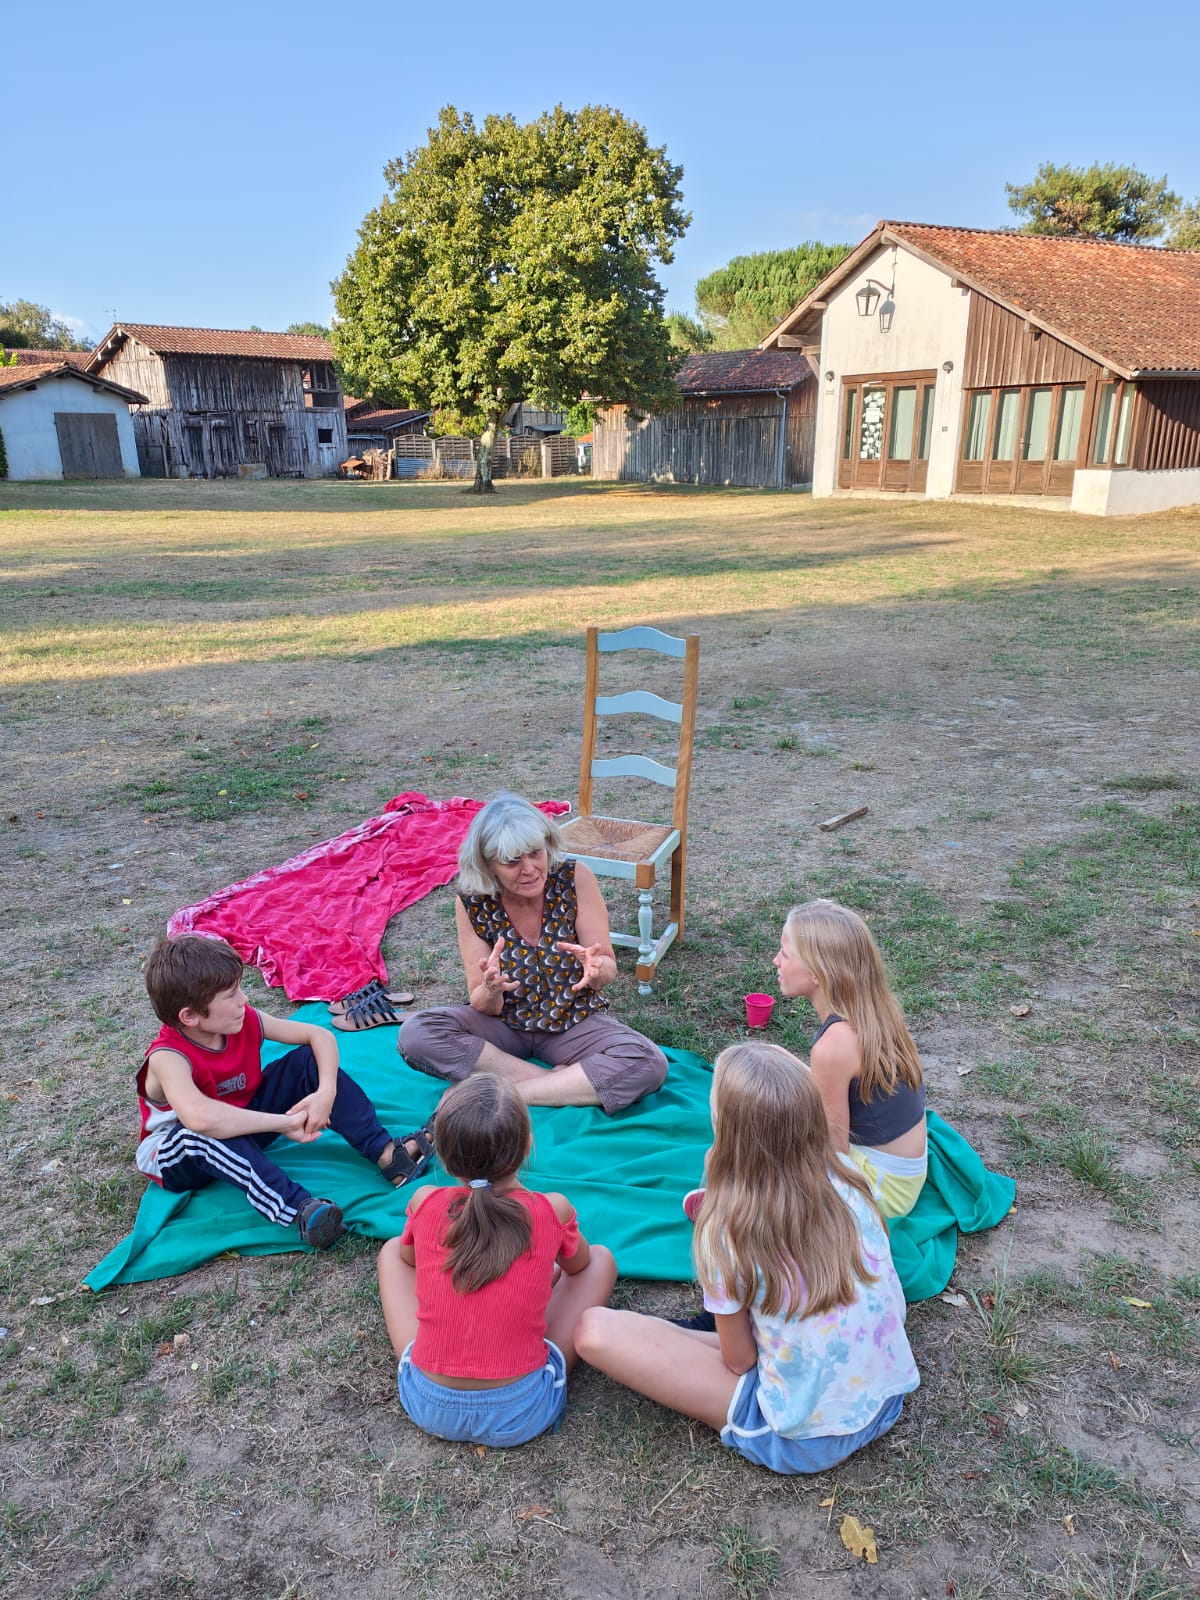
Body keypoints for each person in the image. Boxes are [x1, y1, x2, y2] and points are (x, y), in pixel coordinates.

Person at [576, 1042, 919, 1474]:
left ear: (724, 1129)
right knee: (668, 1331)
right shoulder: (849, 1185)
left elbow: (739, 1361)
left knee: (594, 1330)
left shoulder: (728, 1231)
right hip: (885, 1400)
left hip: (802, 1436)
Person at [137, 935, 435, 1250]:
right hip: (179, 1157)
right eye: (230, 995)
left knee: (305, 1063)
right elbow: (201, 1119)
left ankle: (388, 1155)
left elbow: (317, 1036)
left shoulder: (243, 1021)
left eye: (239, 988)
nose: (244, 1000)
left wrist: (325, 1093)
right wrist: (284, 1123)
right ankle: (302, 1210)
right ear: (190, 1017)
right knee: (200, 1134)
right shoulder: (168, 1057)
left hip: (242, 1123)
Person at [377, 1073, 617, 1446]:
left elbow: (408, 1258)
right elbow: (579, 1267)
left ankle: (431, 1356)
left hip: (428, 1404)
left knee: (391, 1251)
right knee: (600, 1260)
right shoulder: (551, 1209)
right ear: (527, 1147)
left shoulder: (425, 1201)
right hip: (523, 1411)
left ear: (445, 1157)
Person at [397, 792, 668, 1111]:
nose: (529, 869)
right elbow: (482, 1003)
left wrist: (597, 969)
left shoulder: (574, 877)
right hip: (505, 1026)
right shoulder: (472, 900)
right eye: (512, 861)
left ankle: (512, 1092)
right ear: (488, 864)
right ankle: (552, 1082)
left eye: (534, 853)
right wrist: (490, 989)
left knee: (649, 1062)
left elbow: (606, 967)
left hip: (573, 1020)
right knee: (416, 1034)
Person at [775, 900, 927, 1220]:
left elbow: (833, 1148)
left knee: (769, 1140)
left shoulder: (832, 1048)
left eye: (785, 954)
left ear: (818, 973)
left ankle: (741, 1207)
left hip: (882, 1189)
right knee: (778, 1076)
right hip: (905, 1174)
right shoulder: (872, 1010)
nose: (776, 961)